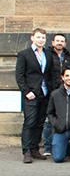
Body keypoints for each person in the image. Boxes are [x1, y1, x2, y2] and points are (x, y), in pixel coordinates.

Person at [16, 28, 55, 163]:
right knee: (30, 122)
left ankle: (34, 149)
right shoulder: (24, 54)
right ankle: (26, 151)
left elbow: (50, 74)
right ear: (32, 38)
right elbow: (20, 76)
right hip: (31, 94)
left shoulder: (48, 54)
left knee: (40, 123)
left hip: (44, 93)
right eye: (38, 37)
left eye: (43, 38)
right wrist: (26, 91)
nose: (41, 40)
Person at [43, 33, 70, 156]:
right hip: (50, 92)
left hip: (63, 93)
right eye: (57, 41)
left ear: (65, 44)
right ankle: (47, 147)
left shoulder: (68, 57)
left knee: (63, 118)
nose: (59, 43)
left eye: (62, 41)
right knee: (48, 120)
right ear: (52, 42)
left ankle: (65, 146)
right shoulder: (47, 54)